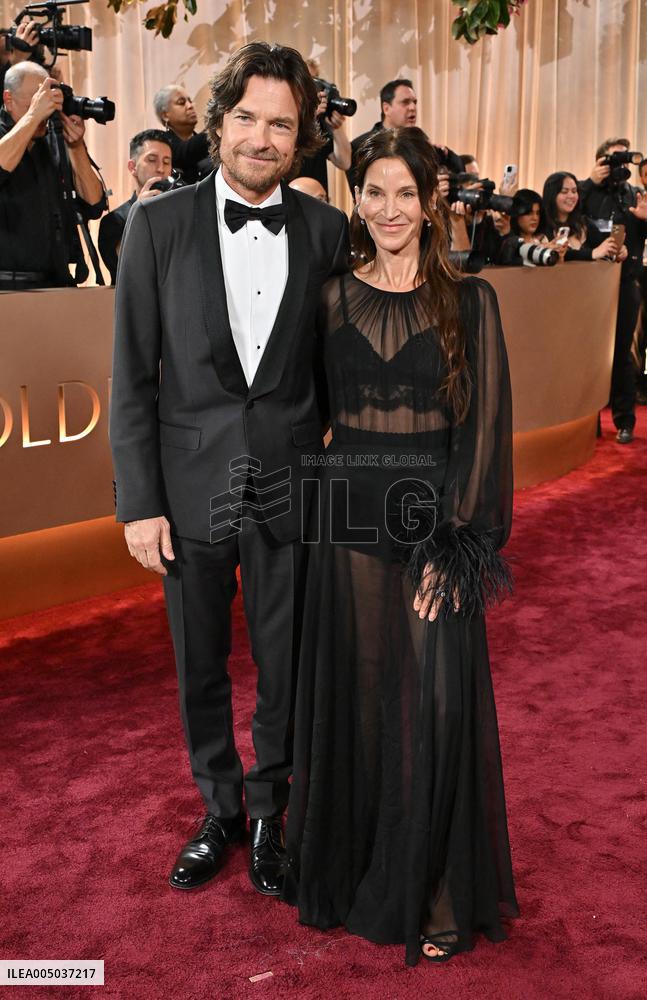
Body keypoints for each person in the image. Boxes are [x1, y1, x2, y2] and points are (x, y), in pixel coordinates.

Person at [109, 41, 348, 898]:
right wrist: (139, 502)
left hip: (292, 490)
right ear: (218, 123)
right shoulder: (158, 223)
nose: (261, 136)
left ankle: (268, 812)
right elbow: (132, 375)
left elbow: (339, 369)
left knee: (285, 664)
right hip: (185, 490)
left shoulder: (326, 231)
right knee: (198, 661)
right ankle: (215, 806)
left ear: (301, 136)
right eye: (246, 117)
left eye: (280, 123)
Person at [283, 126, 519, 966]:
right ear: (357, 199)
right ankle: (358, 872)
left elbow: (483, 431)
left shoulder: (469, 300)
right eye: (374, 192)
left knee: (433, 701)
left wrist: (457, 545)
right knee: (362, 695)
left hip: (431, 520)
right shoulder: (329, 296)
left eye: (405, 195)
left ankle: (435, 886)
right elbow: (307, 418)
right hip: (345, 520)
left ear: (430, 205)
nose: (389, 209)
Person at [0, 62, 105, 289]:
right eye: (36, 98)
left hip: (58, 283)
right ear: (8, 100)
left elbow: (95, 204)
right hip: (7, 288)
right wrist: (33, 116)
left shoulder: (54, 137)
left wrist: (76, 147)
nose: (45, 108)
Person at [579, 137, 647, 443]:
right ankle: (585, 420)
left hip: (625, 284)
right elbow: (563, 214)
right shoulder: (585, 193)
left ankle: (624, 421)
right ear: (600, 162)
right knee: (588, 354)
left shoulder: (635, 196)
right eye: (612, 160)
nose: (619, 167)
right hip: (589, 288)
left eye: (623, 160)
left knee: (622, 354)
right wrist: (589, 184)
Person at [98, 129, 173, 284]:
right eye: (152, 160)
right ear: (132, 167)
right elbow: (123, 265)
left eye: (166, 162)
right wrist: (140, 213)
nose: (161, 168)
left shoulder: (178, 214)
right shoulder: (114, 220)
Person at [294, 57, 351, 197]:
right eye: (309, 80)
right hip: (291, 200)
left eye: (316, 80)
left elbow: (344, 162)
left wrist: (336, 126)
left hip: (317, 202)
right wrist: (309, 117)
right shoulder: (286, 118)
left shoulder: (321, 121)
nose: (314, 87)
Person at [541, 171, 619, 261]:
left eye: (574, 191)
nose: (571, 196)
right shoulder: (542, 226)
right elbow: (561, 255)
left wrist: (616, 251)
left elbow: (603, 247)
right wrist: (592, 253)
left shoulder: (584, 223)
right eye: (564, 192)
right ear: (552, 195)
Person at [153, 83, 211, 184]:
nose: (190, 106)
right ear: (165, 115)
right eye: (181, 102)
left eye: (190, 101)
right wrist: (215, 130)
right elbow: (182, 154)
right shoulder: (162, 144)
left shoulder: (206, 143)